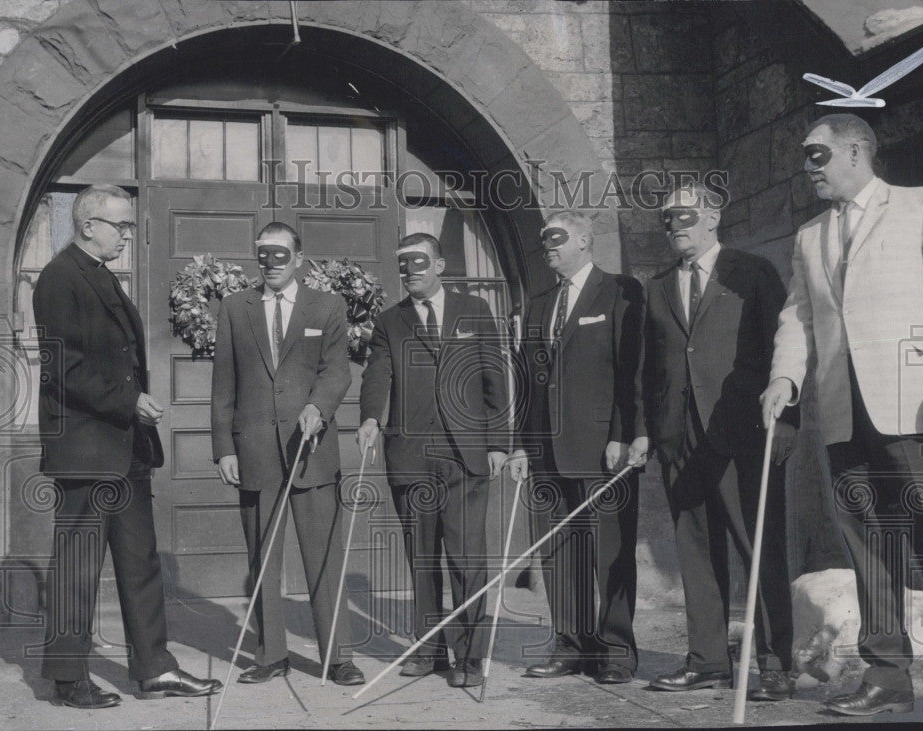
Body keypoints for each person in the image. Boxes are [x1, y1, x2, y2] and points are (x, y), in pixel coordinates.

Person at [760, 114, 923, 721]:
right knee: (871, 551)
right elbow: (798, 319)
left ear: (856, 151)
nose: (808, 169)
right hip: (843, 417)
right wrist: (785, 377)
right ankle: (887, 678)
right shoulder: (809, 236)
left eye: (816, 155)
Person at [34, 184, 221, 708]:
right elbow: (62, 369)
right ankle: (68, 679)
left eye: (131, 226)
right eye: (121, 225)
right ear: (89, 224)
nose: (128, 234)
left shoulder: (100, 277)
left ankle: (155, 670)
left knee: (140, 563)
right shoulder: (59, 279)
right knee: (78, 568)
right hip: (86, 452)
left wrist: (130, 407)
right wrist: (130, 400)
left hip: (125, 451)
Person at [642, 184, 796, 700]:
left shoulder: (750, 273)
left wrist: (788, 421)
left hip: (744, 432)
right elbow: (651, 369)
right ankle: (708, 660)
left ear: (711, 216)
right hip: (680, 441)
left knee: (759, 548)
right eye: (666, 219)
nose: (674, 225)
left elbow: (787, 347)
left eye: (683, 215)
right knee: (696, 553)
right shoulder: (657, 287)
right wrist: (652, 431)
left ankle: (775, 663)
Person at [211, 222, 364, 686]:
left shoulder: (328, 305)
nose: (271, 265)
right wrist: (223, 449)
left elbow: (336, 371)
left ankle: (336, 656)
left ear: (298, 258)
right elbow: (224, 385)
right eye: (263, 256)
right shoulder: (236, 308)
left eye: (280, 256)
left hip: (312, 451)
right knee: (263, 558)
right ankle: (270, 654)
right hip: (254, 450)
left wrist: (318, 406)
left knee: (323, 556)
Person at [357, 232, 509, 688]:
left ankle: (470, 657)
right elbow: (377, 375)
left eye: (420, 263)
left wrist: (499, 441)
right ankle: (428, 649)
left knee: (467, 559)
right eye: (403, 265)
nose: (411, 272)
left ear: (440, 265)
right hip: (411, 455)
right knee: (422, 559)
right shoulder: (390, 321)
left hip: (466, 456)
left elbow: (494, 379)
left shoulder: (476, 312)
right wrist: (369, 417)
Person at [506, 211, 647, 684]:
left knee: (609, 551)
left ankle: (616, 650)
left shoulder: (620, 291)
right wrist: (522, 445)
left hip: (602, 447)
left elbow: (632, 372)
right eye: (543, 238)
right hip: (546, 451)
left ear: (585, 241)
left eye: (557, 237)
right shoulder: (539, 304)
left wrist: (623, 435)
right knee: (559, 552)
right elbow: (526, 384)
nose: (547, 245)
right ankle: (570, 644)